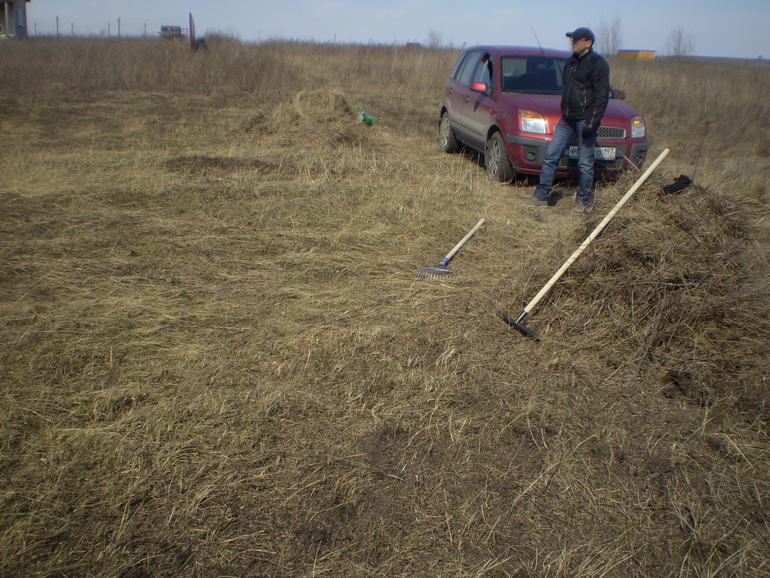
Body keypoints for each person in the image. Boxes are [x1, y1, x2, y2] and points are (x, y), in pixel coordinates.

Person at [524, 27, 610, 216]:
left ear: (588, 43)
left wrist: (592, 122)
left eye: (577, 40)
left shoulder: (598, 64)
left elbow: (601, 96)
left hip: (585, 120)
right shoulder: (571, 62)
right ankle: (541, 195)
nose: (573, 43)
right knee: (551, 156)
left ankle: (582, 202)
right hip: (567, 119)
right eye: (572, 40)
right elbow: (568, 88)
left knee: (585, 163)